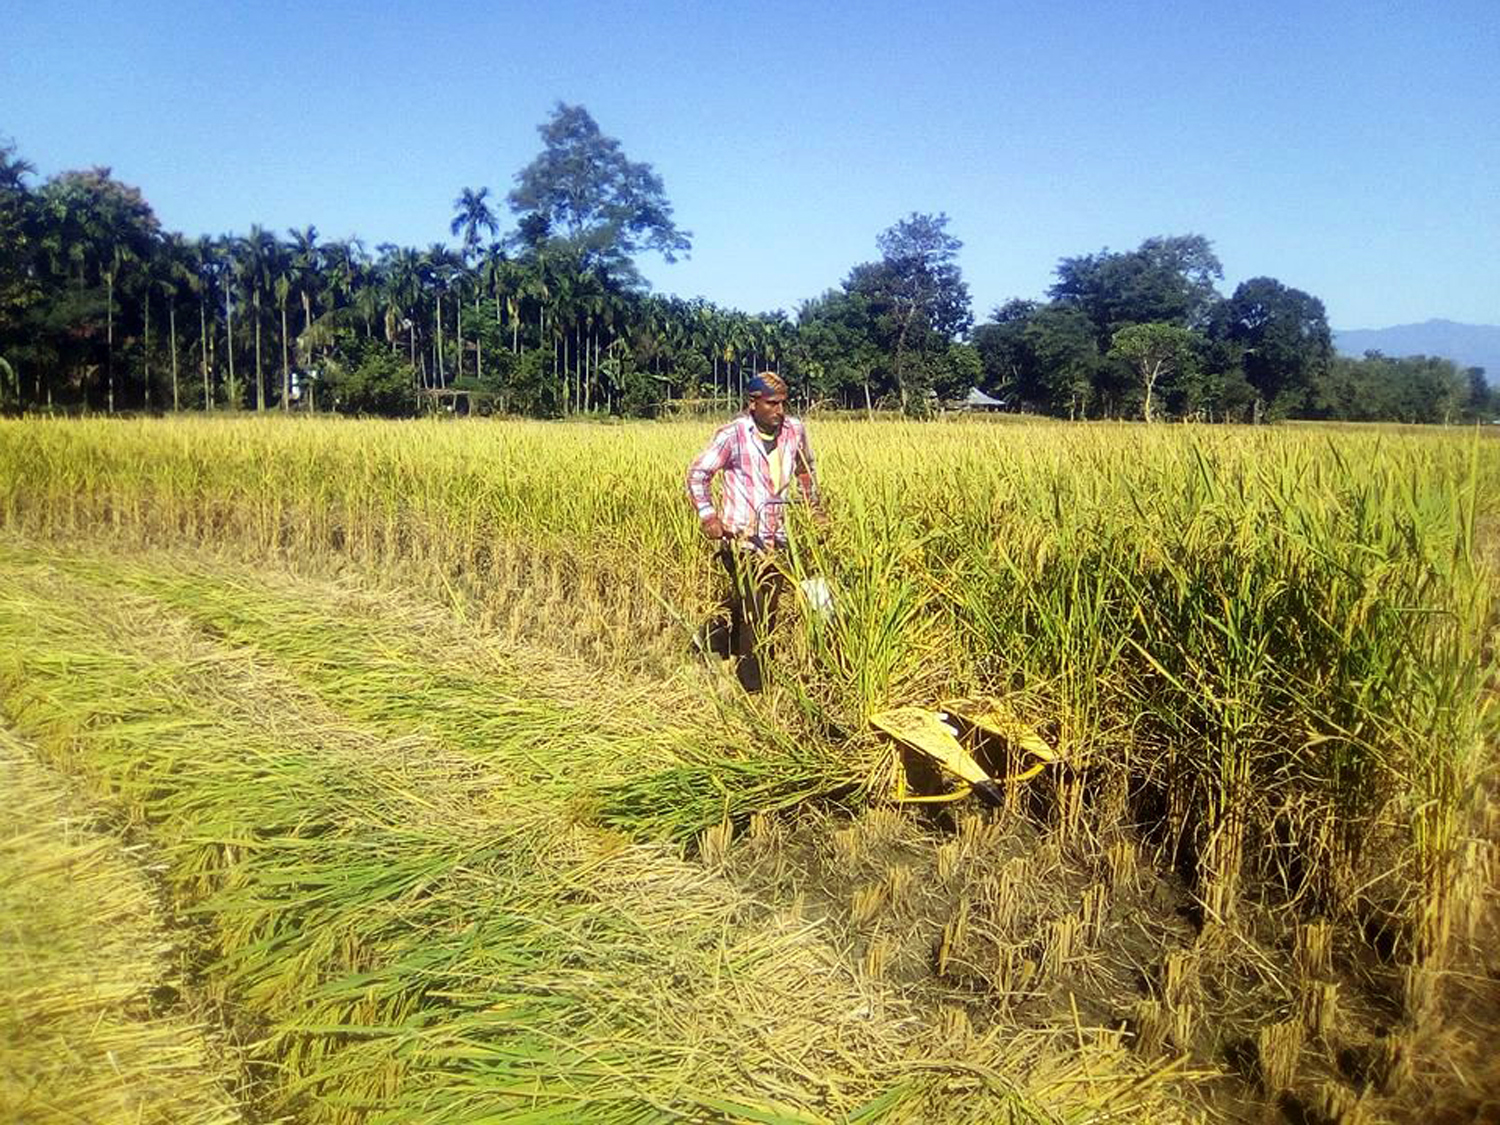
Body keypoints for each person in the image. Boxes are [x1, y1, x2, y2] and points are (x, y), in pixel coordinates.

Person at [686, 372, 820, 691]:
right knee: (760, 608)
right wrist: (708, 517)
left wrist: (815, 509)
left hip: (778, 537)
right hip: (741, 538)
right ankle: (754, 684)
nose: (779, 410)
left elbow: (804, 471)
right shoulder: (733, 435)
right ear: (753, 403)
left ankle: (707, 640)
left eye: (783, 403)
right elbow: (697, 475)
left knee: (748, 604)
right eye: (772, 404)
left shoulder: (794, 431)